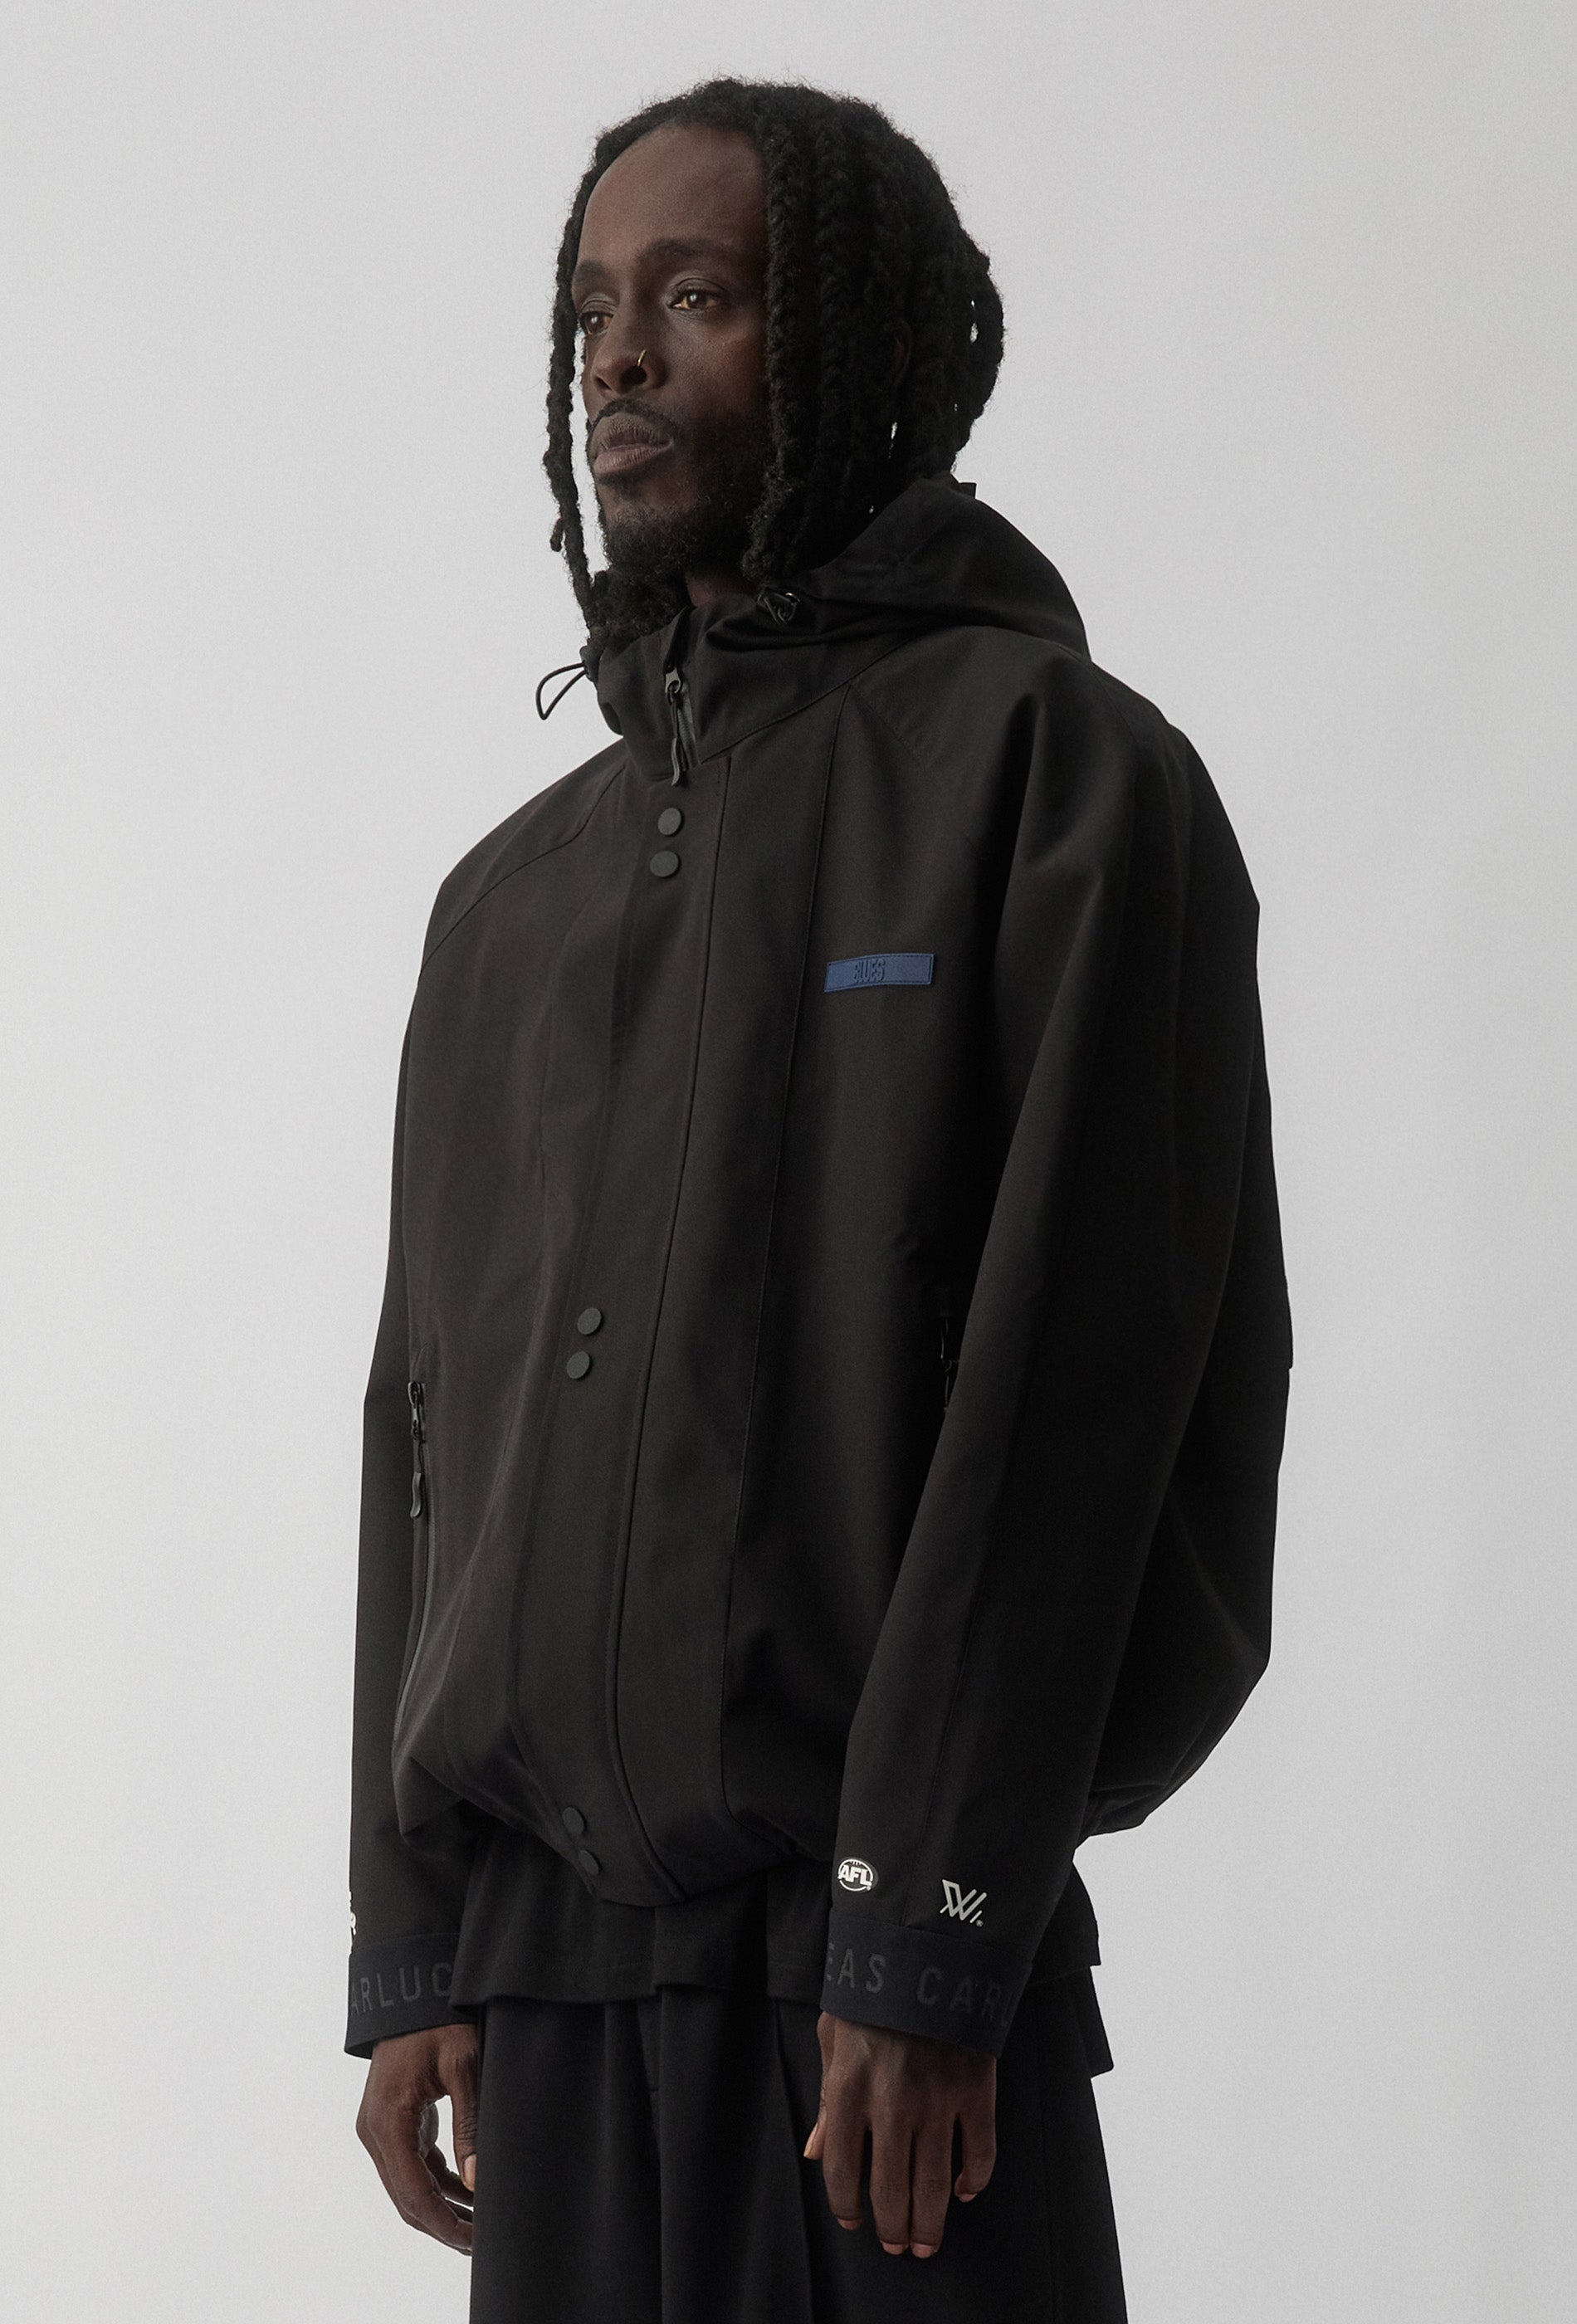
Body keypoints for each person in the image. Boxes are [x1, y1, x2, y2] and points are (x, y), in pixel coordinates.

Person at [345, 77, 1291, 2324]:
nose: (616, 357)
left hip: (876, 1999)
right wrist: (414, 1937)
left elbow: (1084, 1401)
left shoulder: (1057, 779)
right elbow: (421, 1437)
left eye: (697, 296)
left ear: (851, 341)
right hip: (547, 1990)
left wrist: (932, 1924)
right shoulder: (509, 904)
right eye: (593, 306)